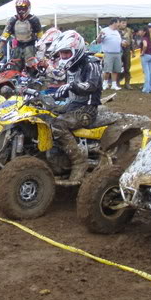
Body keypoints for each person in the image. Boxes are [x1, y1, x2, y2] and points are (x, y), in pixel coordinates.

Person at [49, 30, 103, 185]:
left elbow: (91, 85)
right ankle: (56, 159)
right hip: (72, 105)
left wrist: (71, 86)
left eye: (67, 52)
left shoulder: (91, 63)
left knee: (58, 125)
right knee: (43, 115)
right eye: (61, 53)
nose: (64, 56)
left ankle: (79, 162)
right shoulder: (70, 67)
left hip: (87, 109)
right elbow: (65, 90)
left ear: (77, 50)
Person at [0, 0, 42, 72]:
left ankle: (33, 80)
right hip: (18, 46)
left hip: (30, 46)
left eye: (23, 8)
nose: (21, 10)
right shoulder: (13, 20)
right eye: (19, 8)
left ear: (28, 8)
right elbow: (5, 36)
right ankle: (15, 81)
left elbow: (40, 36)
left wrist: (41, 50)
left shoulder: (34, 19)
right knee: (14, 68)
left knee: (31, 67)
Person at [97, 18, 122, 90]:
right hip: (108, 53)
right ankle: (105, 84)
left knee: (115, 70)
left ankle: (114, 84)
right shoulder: (105, 30)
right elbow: (98, 41)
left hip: (117, 53)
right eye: (118, 23)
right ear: (114, 23)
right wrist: (100, 35)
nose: (119, 24)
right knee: (107, 70)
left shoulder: (117, 32)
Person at [139, 26, 151, 94]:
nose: (140, 32)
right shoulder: (150, 39)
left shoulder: (144, 38)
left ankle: (146, 89)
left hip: (145, 56)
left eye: (141, 30)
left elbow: (145, 45)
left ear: (144, 32)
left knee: (146, 73)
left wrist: (143, 52)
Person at [118, 18, 133, 89]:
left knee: (127, 67)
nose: (124, 24)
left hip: (127, 50)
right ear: (119, 23)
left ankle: (127, 83)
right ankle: (117, 83)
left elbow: (131, 40)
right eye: (123, 23)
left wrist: (133, 50)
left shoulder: (129, 30)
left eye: (125, 23)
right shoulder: (116, 30)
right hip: (118, 50)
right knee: (118, 67)